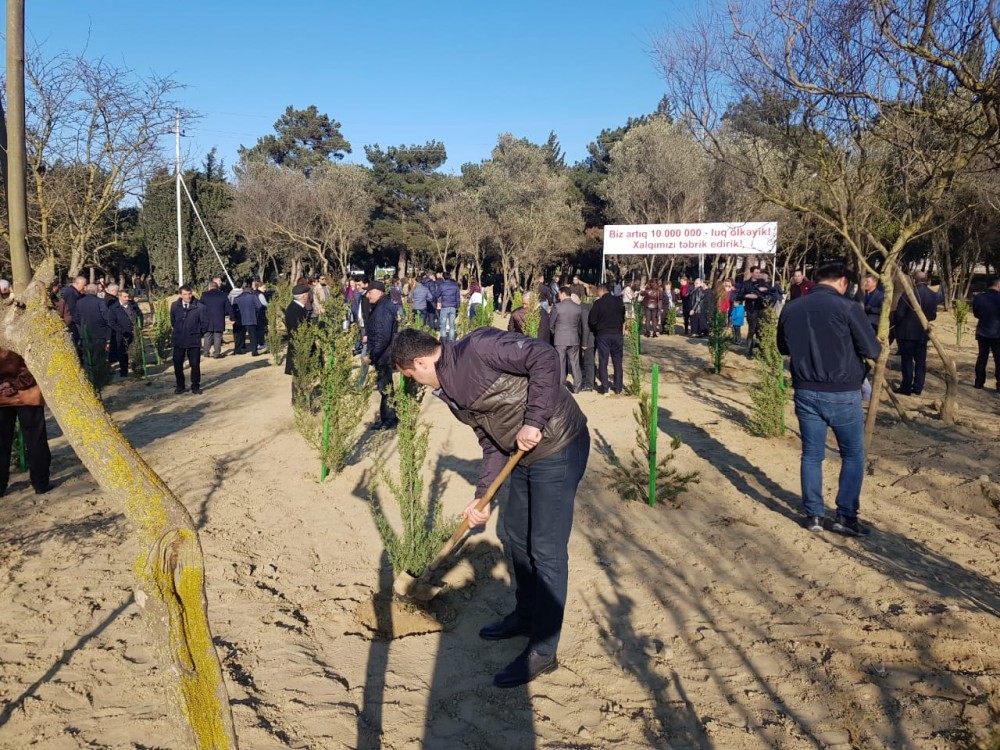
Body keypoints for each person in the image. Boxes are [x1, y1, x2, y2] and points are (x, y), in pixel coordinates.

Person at [391, 326, 589, 688]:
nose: (416, 383)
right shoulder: (450, 391)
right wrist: (482, 496)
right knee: (514, 536)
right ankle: (526, 616)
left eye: (411, 375)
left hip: (558, 443)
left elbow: (544, 357)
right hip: (522, 455)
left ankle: (544, 650)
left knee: (545, 549)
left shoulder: (479, 347)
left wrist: (533, 421)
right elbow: (491, 439)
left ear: (420, 361)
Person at [777, 261, 882, 536]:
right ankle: (845, 517)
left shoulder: (792, 307)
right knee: (853, 455)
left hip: (805, 390)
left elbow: (782, 347)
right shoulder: (848, 308)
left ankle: (813, 515)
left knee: (812, 454)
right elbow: (872, 349)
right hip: (842, 391)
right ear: (843, 282)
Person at [0, 349, 51, 496]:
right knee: (36, 440)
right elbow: (36, 363)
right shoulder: (25, 327)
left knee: (2, 442)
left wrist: (4, 385)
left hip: (2, 395)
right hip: (28, 393)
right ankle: (40, 483)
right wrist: (15, 383)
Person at [892, 271, 940, 396]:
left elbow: (900, 313)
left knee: (907, 360)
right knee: (920, 361)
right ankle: (918, 387)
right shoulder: (933, 295)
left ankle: (906, 386)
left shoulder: (909, 293)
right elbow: (933, 315)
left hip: (906, 333)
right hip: (922, 332)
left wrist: (896, 324)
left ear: (914, 280)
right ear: (927, 280)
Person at [363, 281, 399, 430]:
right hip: (384, 354)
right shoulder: (382, 305)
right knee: (384, 387)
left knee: (386, 388)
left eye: (369, 292)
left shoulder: (383, 308)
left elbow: (382, 337)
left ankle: (390, 420)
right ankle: (386, 417)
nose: (367, 295)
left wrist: (372, 356)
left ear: (378, 292)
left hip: (384, 355)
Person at [170, 285, 208, 394]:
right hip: (179, 339)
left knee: (195, 364)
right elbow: (173, 321)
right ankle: (180, 385)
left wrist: (198, 333)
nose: (188, 296)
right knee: (177, 363)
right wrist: (179, 330)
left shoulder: (200, 307)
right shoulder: (175, 306)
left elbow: (205, 323)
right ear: (181, 295)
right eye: (185, 294)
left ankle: (195, 386)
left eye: (189, 294)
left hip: (193, 340)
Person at [589, 284, 626, 395]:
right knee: (618, 361)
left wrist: (597, 329)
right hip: (617, 334)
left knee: (603, 360)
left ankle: (605, 387)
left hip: (603, 334)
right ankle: (618, 387)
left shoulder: (598, 303)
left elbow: (592, 320)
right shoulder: (619, 301)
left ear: (601, 291)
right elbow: (623, 317)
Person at [74, 283, 115, 378]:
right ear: (96, 291)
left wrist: (82, 323)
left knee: (88, 354)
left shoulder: (79, 302)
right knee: (101, 354)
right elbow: (106, 315)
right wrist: (108, 325)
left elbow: (75, 317)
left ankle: (90, 373)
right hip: (100, 331)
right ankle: (102, 374)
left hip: (85, 332)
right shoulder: (100, 302)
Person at [737, 266, 778, 357]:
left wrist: (766, 289)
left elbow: (773, 290)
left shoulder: (762, 282)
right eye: (756, 272)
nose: (758, 274)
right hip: (751, 310)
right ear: (751, 273)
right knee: (752, 330)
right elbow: (738, 296)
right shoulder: (746, 284)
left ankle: (761, 351)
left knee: (761, 330)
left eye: (759, 272)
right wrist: (747, 296)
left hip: (762, 309)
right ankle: (749, 351)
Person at [549, 286, 584, 392]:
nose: (558, 296)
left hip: (560, 338)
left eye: (559, 294)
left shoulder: (557, 307)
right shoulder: (578, 307)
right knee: (575, 362)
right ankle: (577, 385)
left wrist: (555, 333)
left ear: (563, 294)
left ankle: (561, 385)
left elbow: (551, 324)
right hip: (573, 338)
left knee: (560, 362)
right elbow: (579, 324)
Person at [973, 277, 1000, 392]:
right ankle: (999, 384)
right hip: (998, 333)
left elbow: (976, 313)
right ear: (998, 286)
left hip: (982, 332)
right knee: (998, 359)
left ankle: (979, 382)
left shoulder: (979, 298)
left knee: (982, 357)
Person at [109, 290, 137, 377]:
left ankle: (137, 369)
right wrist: (120, 330)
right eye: (125, 297)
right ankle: (124, 371)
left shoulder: (132, 305)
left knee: (135, 351)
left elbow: (139, 314)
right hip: (121, 334)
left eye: (128, 296)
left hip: (134, 331)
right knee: (122, 352)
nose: (127, 298)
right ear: (119, 297)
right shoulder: (114, 308)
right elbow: (112, 322)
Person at [232, 280, 264, 356]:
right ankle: (254, 351)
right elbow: (259, 306)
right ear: (250, 291)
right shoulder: (253, 297)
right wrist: (255, 312)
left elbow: (234, 308)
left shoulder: (237, 298)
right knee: (253, 336)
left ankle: (237, 350)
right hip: (251, 318)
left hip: (241, 319)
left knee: (240, 336)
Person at [200, 281, 231, 358]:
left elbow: (200, 307)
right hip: (219, 319)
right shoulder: (224, 295)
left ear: (209, 287)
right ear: (217, 287)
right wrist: (232, 317)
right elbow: (228, 307)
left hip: (207, 319)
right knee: (218, 336)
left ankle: (206, 352)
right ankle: (217, 353)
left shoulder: (204, 295)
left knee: (207, 336)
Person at [436, 273, 461, 341]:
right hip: (453, 307)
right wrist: (457, 306)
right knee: (452, 325)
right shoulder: (455, 286)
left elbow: (437, 295)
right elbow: (458, 297)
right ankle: (451, 341)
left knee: (443, 325)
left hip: (444, 306)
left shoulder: (442, 286)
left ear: (443, 277)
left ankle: (443, 341)